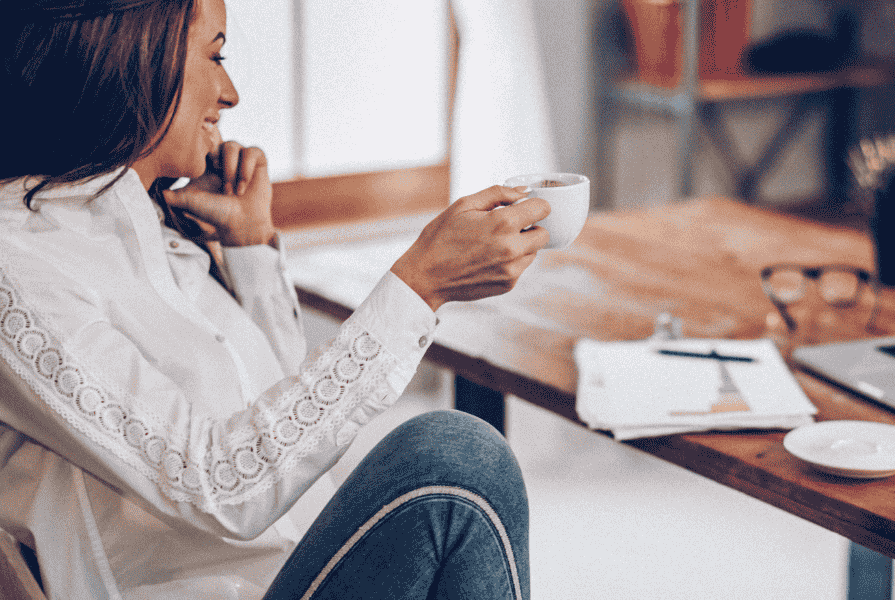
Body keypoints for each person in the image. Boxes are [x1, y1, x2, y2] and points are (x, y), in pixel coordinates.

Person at [0, 0, 550, 597]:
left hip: (290, 569)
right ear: (133, 53)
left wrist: (252, 250)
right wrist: (419, 287)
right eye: (215, 55)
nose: (230, 92)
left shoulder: (156, 231)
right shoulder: (19, 262)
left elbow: (294, 450)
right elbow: (219, 485)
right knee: (455, 460)